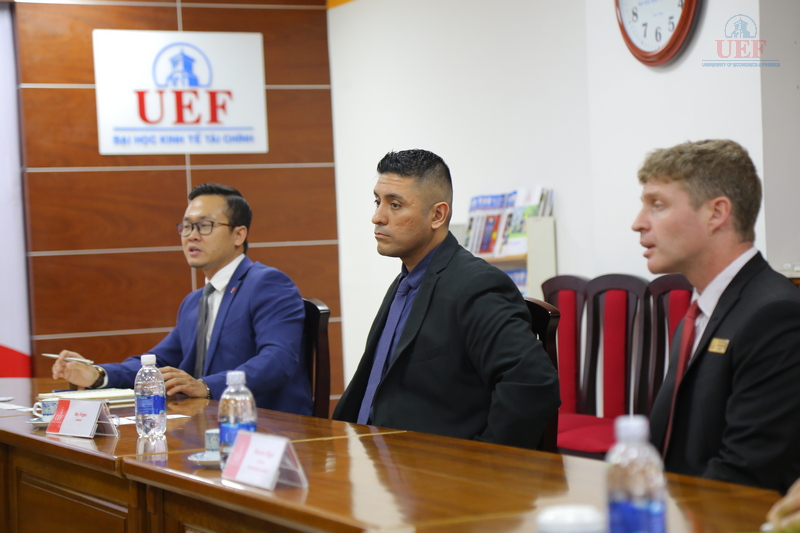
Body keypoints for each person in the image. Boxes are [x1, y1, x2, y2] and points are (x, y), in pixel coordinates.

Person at [333, 149, 560, 449]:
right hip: (371, 455)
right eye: (378, 202)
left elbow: (532, 382)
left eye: (395, 205)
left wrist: (486, 463)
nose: (377, 217)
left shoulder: (476, 285)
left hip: (431, 467)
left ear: (437, 215)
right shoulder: (405, 283)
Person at [52, 183, 311, 414]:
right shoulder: (194, 301)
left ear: (239, 235)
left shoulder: (267, 284)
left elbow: (278, 359)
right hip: (205, 424)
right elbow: (158, 362)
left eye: (205, 226)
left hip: (265, 426)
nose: (192, 235)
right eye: (187, 226)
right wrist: (98, 375)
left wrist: (205, 386)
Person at [632, 139, 800, 493]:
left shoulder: (774, 315)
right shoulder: (701, 309)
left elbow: (747, 472)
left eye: (657, 205)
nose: (638, 223)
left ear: (716, 213)